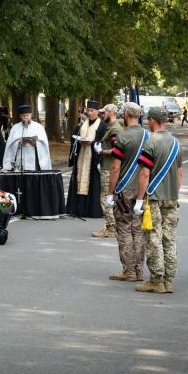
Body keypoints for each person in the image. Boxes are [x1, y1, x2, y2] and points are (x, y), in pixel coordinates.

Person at [133, 106, 182, 294]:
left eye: (148, 119)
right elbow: (179, 173)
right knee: (169, 239)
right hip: (171, 197)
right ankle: (169, 280)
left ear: (153, 120)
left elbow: (145, 173)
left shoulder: (150, 142)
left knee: (153, 238)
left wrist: (139, 199)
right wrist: (174, 193)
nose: (147, 122)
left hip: (153, 197)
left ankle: (156, 280)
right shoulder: (176, 143)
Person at [106, 102, 147, 281]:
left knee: (123, 229)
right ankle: (139, 270)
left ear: (126, 114)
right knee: (138, 230)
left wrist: (110, 192)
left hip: (124, 189)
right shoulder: (149, 136)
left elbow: (115, 167)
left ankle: (128, 271)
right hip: (142, 189)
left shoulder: (122, 138)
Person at [65, 101, 106, 218]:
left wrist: (93, 142)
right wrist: (78, 140)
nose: (89, 113)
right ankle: (77, 209)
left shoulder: (102, 125)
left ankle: (92, 211)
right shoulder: (81, 124)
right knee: (78, 181)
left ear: (97, 112)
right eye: (88, 110)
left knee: (93, 183)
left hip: (93, 158)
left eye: (92, 111)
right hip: (81, 156)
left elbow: (103, 141)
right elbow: (74, 137)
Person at [93, 104, 122, 238]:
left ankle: (111, 228)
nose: (102, 115)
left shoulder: (115, 128)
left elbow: (117, 150)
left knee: (105, 198)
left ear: (111, 113)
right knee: (107, 198)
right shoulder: (110, 127)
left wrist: (102, 151)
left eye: (104, 113)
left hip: (109, 168)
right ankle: (110, 226)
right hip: (106, 166)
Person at [2, 105, 52, 171]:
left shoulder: (39, 127)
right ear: (20, 116)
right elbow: (10, 145)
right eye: (23, 116)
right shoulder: (15, 128)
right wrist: (18, 143)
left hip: (35, 161)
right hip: (20, 160)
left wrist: (36, 143)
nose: (25, 117)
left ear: (31, 115)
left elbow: (44, 145)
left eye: (27, 115)